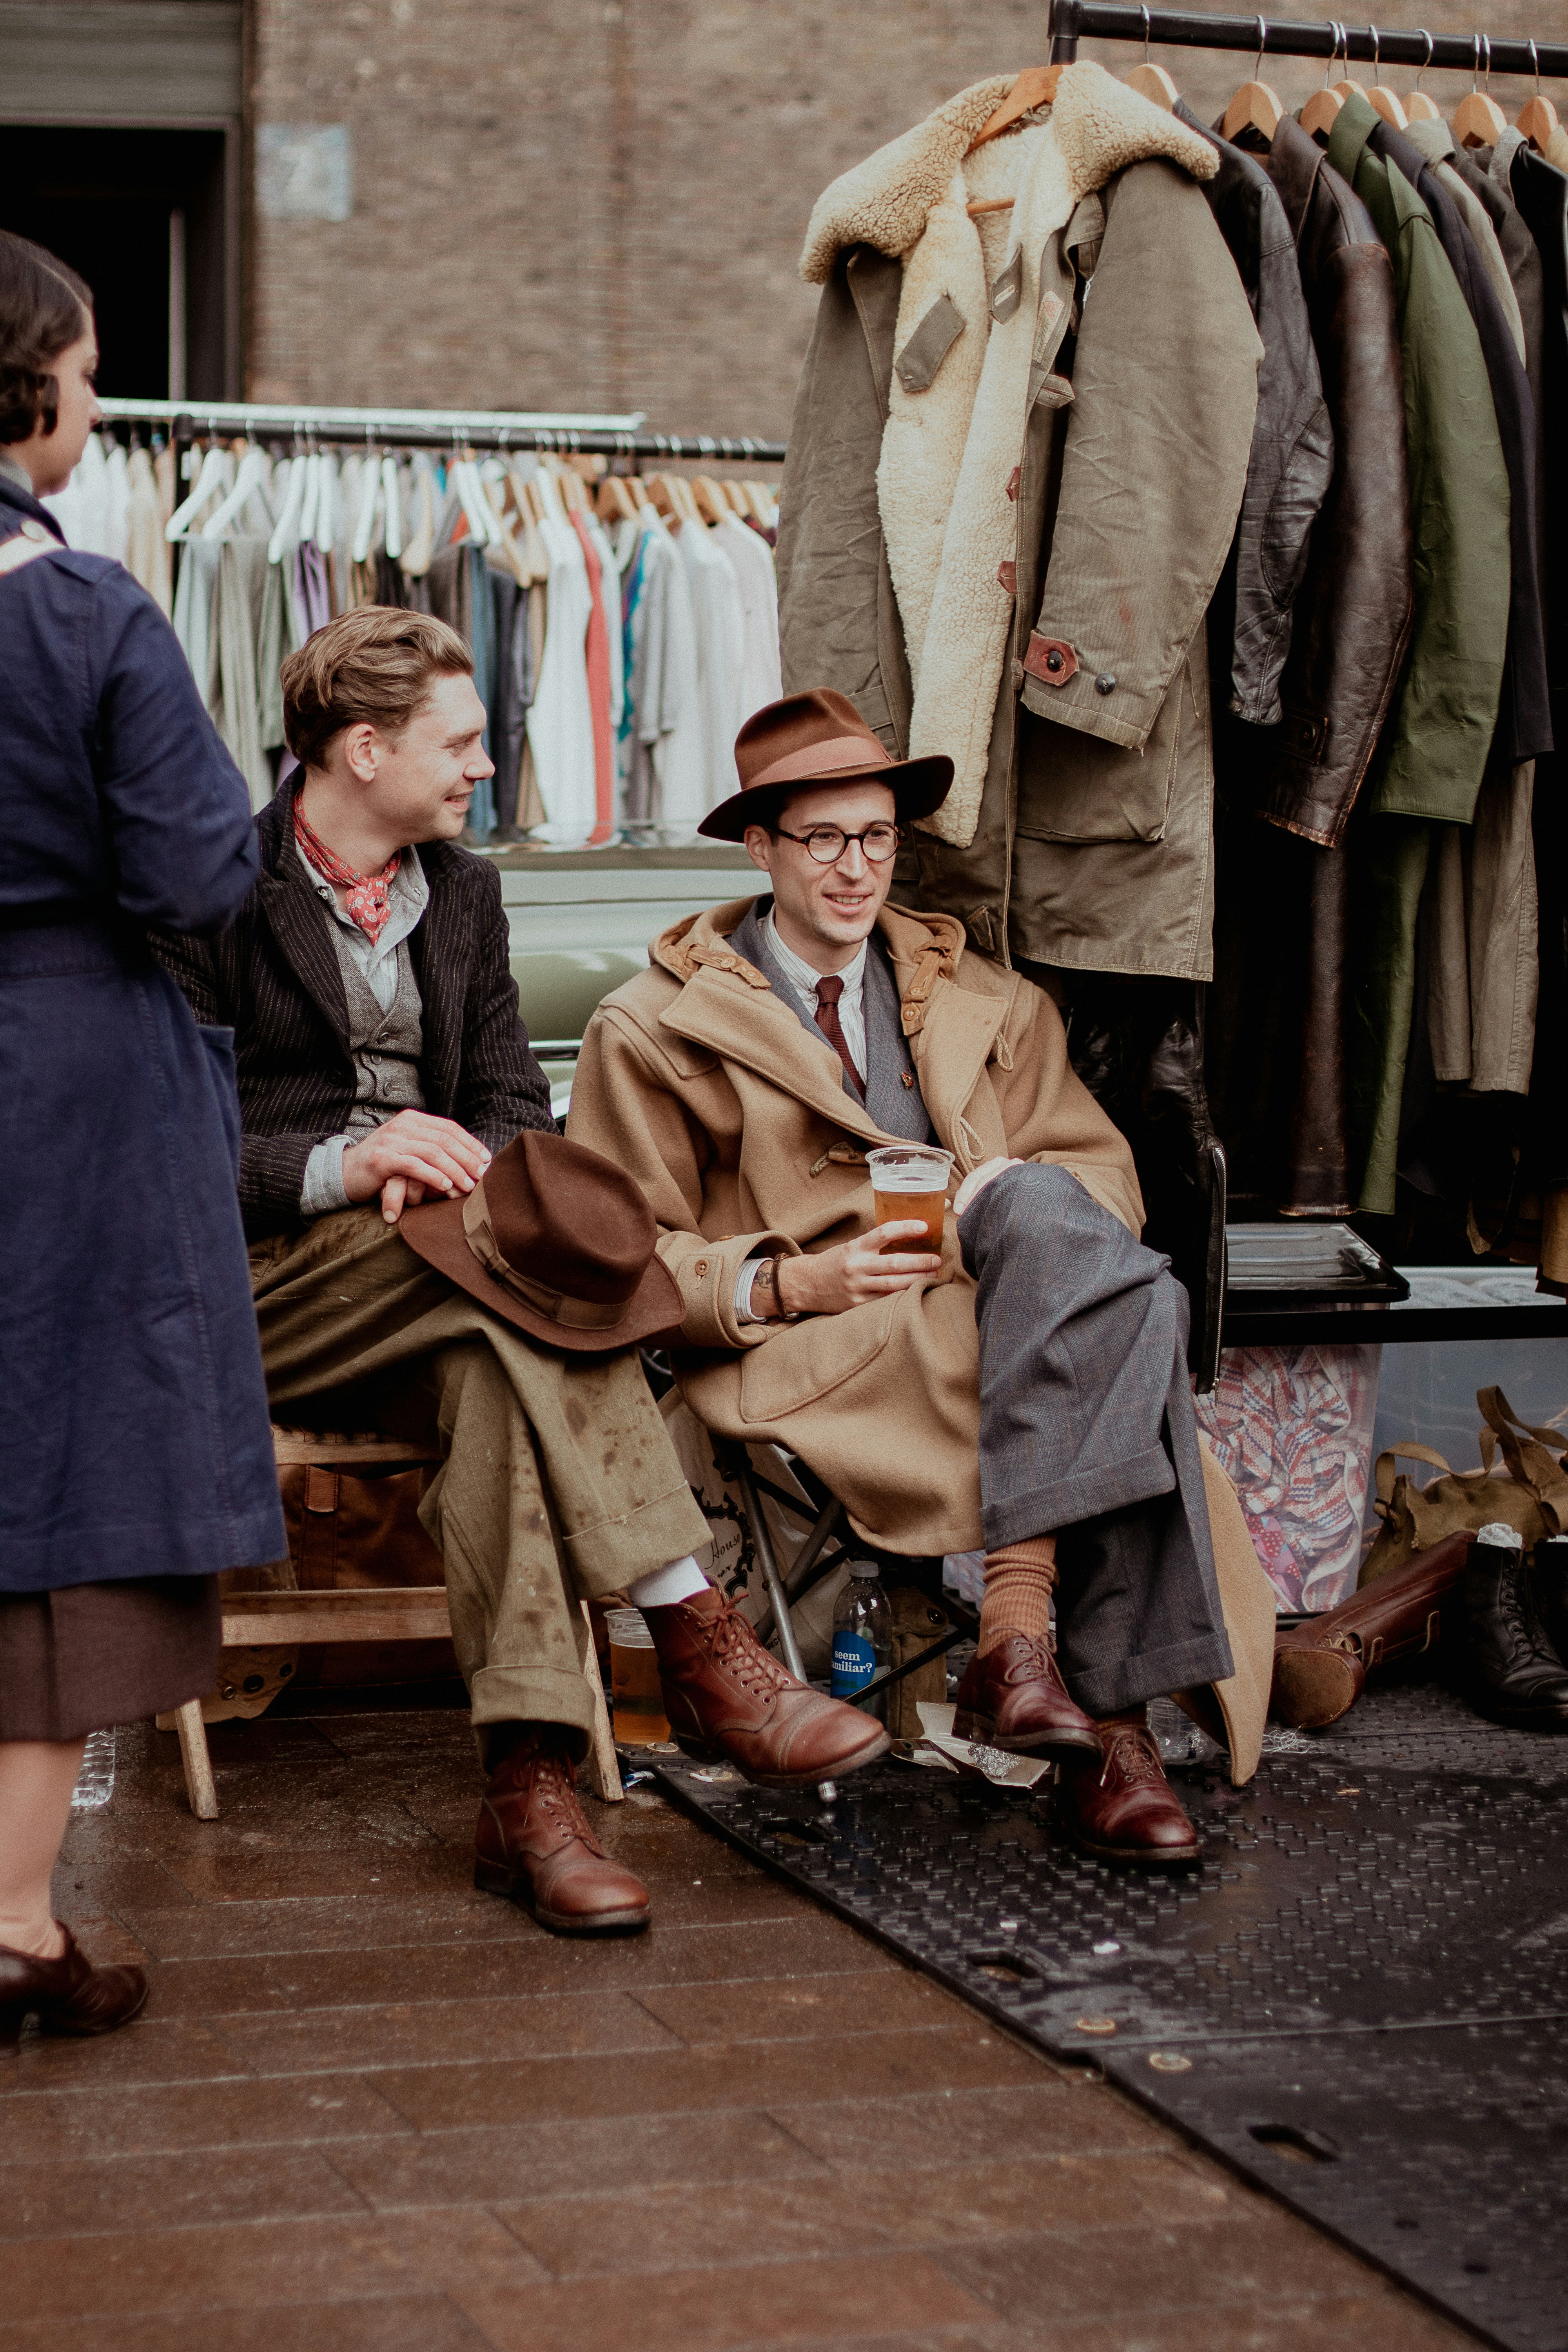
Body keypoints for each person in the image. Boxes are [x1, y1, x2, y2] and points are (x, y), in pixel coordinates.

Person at [154, 610, 887, 1938]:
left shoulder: (467, 892)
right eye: (465, 740)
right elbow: (161, 1137)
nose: (489, 767)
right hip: (260, 1284)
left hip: (445, 1283)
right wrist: (349, 1162)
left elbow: (506, 1101)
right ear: (362, 749)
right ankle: (703, 1637)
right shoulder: (211, 889)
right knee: (516, 1285)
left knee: (498, 1369)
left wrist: (467, 1167)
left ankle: (528, 1790)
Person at [568, 689, 1278, 1865]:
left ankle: (1029, 1655)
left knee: (1082, 1250)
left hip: (994, 1319)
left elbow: (1101, 1177)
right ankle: (1102, 1720)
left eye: (880, 839)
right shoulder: (655, 1029)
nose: (858, 870)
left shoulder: (987, 999)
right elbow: (626, 1260)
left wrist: (987, 1212)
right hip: (821, 1348)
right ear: (762, 847)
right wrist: (799, 1282)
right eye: (826, 840)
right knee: (1139, 1313)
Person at [0, 231, 286, 2052]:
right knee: (62, 1498)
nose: (97, 411)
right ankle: (16, 1926)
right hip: (62, 1076)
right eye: (91, 376)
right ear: (22, 377)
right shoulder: (83, 606)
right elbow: (199, 871)